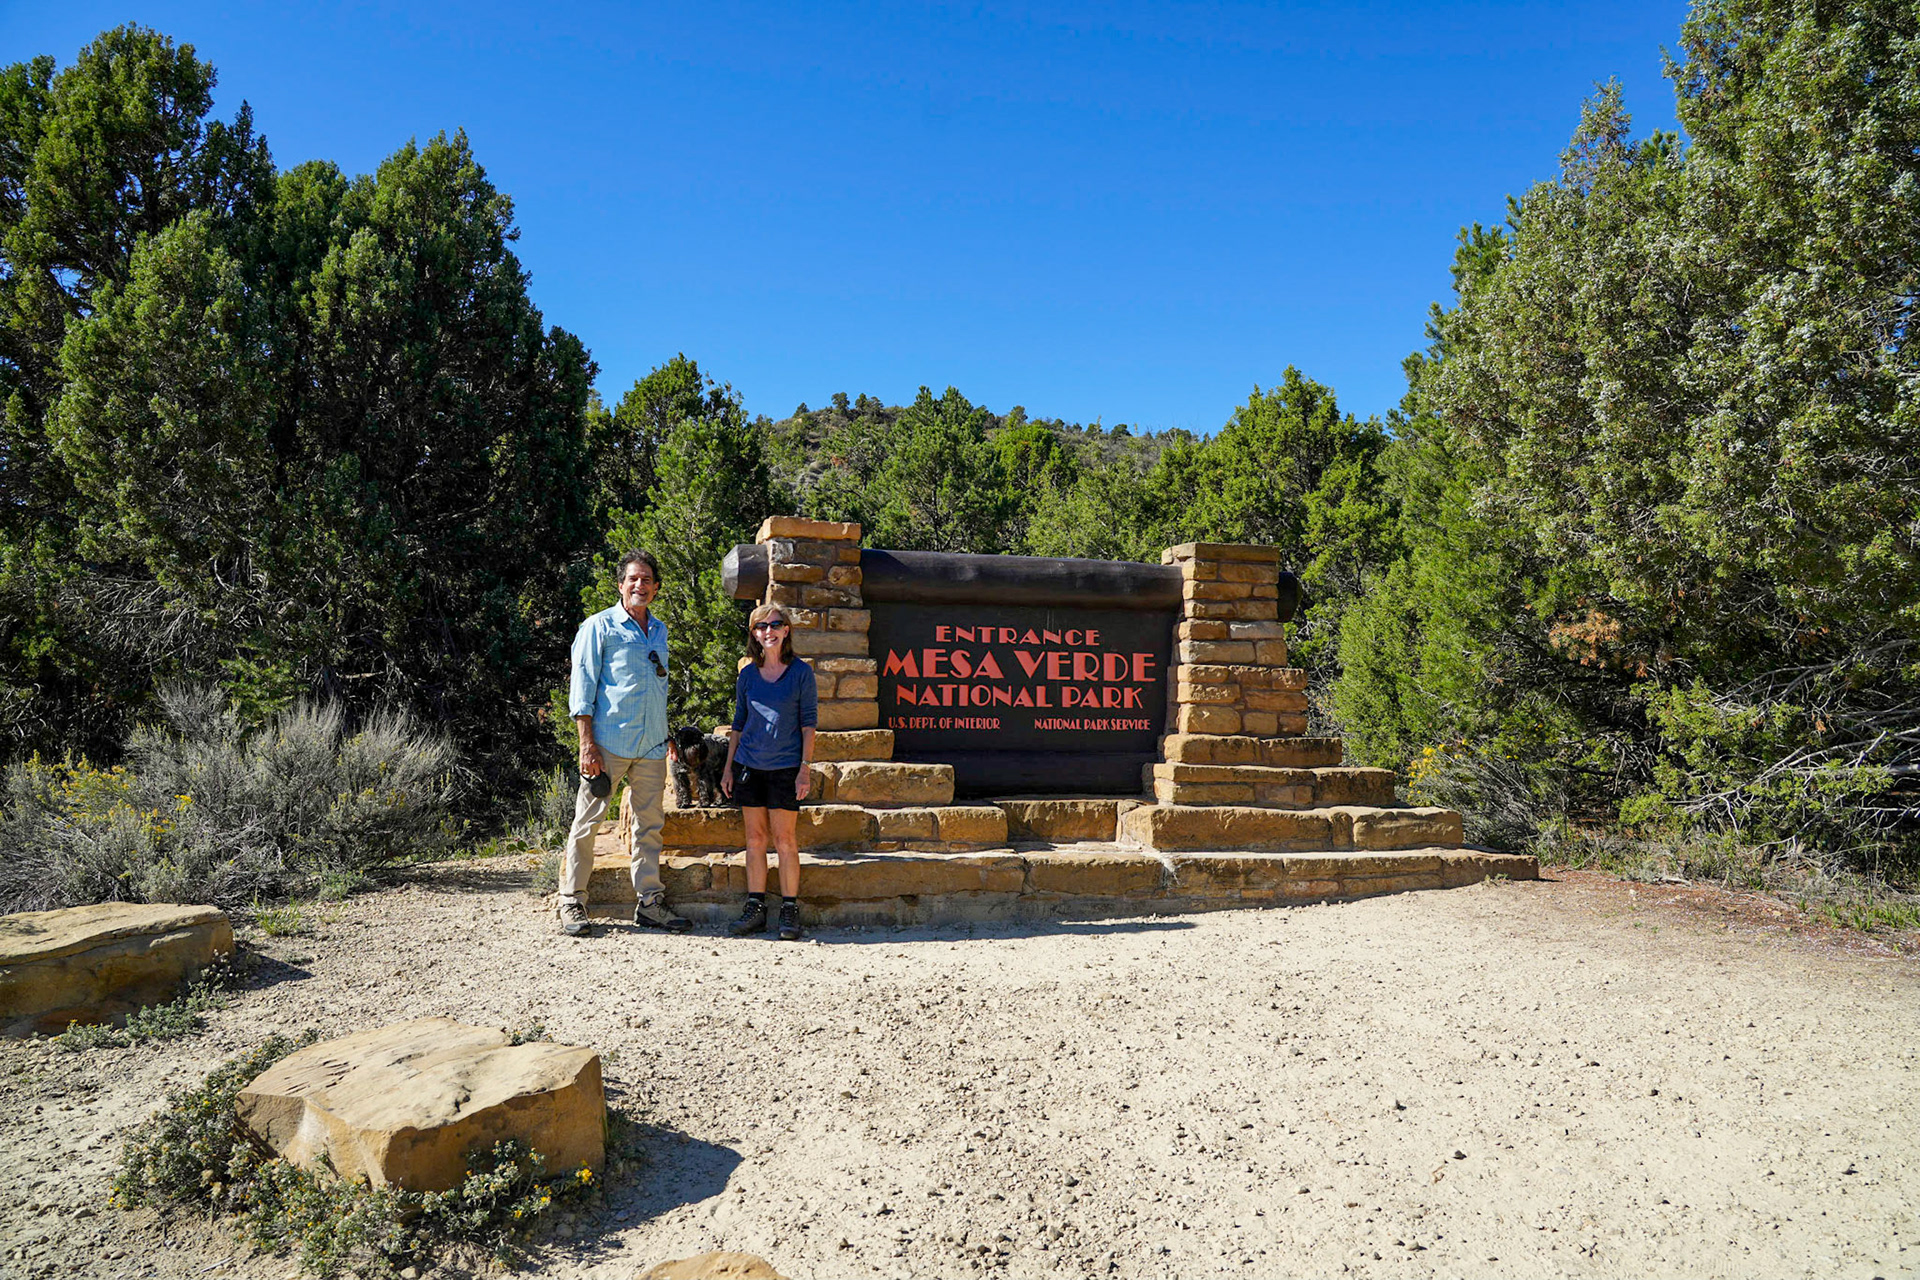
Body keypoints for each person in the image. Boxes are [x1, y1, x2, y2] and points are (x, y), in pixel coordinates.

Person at [558, 550, 691, 937]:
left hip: (650, 745)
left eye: (647, 579)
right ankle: (571, 900)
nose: (640, 585)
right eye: (633, 579)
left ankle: (649, 902)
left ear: (656, 587)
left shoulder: (661, 630)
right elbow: (582, 688)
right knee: (588, 823)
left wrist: (665, 735)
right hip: (608, 743)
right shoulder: (598, 627)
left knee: (649, 826)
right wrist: (587, 745)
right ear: (620, 585)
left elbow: (657, 685)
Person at [721, 602, 818, 941]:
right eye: (761, 627)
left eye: (775, 624)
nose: (769, 631)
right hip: (749, 767)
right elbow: (738, 723)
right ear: (754, 634)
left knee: (785, 840)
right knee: (755, 840)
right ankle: (756, 909)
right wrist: (729, 767)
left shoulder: (801, 673)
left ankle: (789, 911)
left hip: (785, 769)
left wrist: (804, 769)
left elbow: (809, 725)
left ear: (786, 630)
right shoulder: (747, 674)